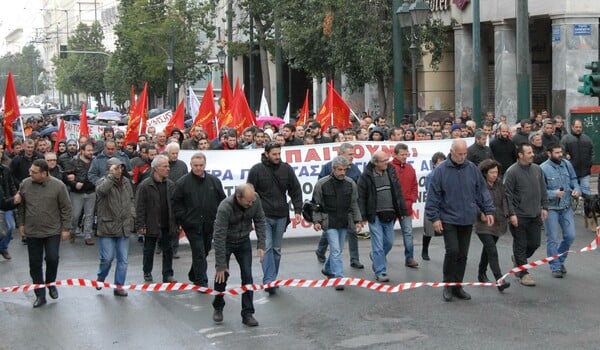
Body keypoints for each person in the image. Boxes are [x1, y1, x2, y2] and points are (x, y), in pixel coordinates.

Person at [425, 139, 495, 302]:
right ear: (452, 152)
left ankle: (458, 285)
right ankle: (447, 284)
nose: (463, 157)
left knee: (463, 254)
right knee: (453, 251)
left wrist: (488, 209)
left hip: (467, 218)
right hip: (448, 217)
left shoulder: (472, 169)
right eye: (459, 154)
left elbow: (482, 191)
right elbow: (433, 196)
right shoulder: (441, 171)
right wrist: (435, 218)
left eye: (465, 154)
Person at [247, 142, 302, 295]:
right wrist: (250, 216)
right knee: (268, 247)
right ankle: (269, 281)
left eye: (279, 154)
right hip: (263, 216)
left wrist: (298, 209)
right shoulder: (256, 170)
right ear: (266, 154)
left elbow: (295, 190)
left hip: (281, 215)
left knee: (277, 250)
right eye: (274, 154)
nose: (278, 157)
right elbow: (249, 193)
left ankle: (272, 278)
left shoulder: (286, 169)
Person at [17, 159, 72, 308]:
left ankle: (50, 282)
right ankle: (40, 295)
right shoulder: (25, 184)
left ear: (44, 173)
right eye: (30, 171)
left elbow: (66, 208)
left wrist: (66, 228)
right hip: (32, 231)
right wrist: (21, 224)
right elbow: (21, 207)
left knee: (53, 258)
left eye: (34, 172)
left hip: (52, 230)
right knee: (35, 264)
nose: (30, 174)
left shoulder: (58, 186)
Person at [212, 184, 266, 327]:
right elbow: (219, 236)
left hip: (243, 241)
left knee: (248, 276)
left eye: (252, 200)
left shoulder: (255, 199)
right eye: (248, 201)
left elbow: (260, 220)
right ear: (238, 197)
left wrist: (261, 244)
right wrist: (220, 264)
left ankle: (247, 314)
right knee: (221, 277)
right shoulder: (225, 207)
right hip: (226, 242)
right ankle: (218, 306)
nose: (251, 203)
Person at [173, 153, 226, 288]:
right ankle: (201, 281)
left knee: (206, 249)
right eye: (195, 165)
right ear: (191, 165)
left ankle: (194, 273)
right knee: (199, 252)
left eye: (201, 165)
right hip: (192, 225)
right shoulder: (182, 183)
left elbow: (222, 201)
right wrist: (184, 219)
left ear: (205, 165)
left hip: (209, 223)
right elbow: (176, 203)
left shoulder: (214, 181)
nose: (198, 168)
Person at [312, 156, 362, 290]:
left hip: (344, 222)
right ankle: (338, 277)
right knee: (335, 250)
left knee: (337, 250)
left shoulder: (350, 183)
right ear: (333, 169)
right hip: (329, 222)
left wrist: (357, 220)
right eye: (340, 170)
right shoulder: (322, 184)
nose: (342, 172)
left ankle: (327, 268)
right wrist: (317, 221)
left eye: (344, 170)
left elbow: (354, 203)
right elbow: (316, 204)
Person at [357, 151, 408, 282]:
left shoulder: (391, 172)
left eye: (387, 159)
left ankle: (375, 257)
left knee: (389, 242)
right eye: (384, 160)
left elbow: (398, 192)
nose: (387, 162)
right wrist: (362, 216)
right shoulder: (366, 176)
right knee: (378, 245)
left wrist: (402, 211)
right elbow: (361, 198)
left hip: (390, 214)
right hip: (375, 216)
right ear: (376, 162)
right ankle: (381, 271)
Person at [504, 143, 548, 287]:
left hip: (535, 214)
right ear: (520, 155)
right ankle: (524, 273)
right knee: (521, 245)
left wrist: (544, 207)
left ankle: (518, 260)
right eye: (529, 153)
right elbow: (507, 195)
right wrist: (511, 214)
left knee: (534, 243)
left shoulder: (537, 169)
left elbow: (543, 189)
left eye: (532, 152)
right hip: (519, 216)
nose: (533, 154)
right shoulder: (512, 172)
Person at [94, 157, 135, 297]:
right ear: (109, 169)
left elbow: (131, 200)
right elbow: (101, 192)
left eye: (120, 168)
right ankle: (101, 277)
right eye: (116, 168)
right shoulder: (102, 182)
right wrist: (111, 177)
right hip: (107, 226)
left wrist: (132, 215)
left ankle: (119, 286)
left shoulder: (126, 182)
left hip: (124, 226)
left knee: (123, 260)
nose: (119, 170)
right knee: (107, 258)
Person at [540, 143, 580, 278]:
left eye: (560, 152)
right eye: (556, 153)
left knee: (570, 236)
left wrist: (577, 189)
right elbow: (541, 191)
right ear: (549, 154)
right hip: (551, 208)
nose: (560, 155)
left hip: (566, 206)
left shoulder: (566, 164)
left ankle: (559, 260)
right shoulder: (543, 169)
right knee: (552, 238)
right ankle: (555, 267)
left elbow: (574, 179)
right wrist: (553, 193)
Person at [135, 155, 178, 283]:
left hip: (167, 223)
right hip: (151, 223)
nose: (168, 169)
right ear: (156, 168)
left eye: (168, 166)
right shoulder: (145, 185)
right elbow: (140, 206)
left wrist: (176, 223)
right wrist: (140, 225)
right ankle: (147, 272)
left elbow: (175, 205)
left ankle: (168, 274)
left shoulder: (170, 185)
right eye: (165, 166)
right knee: (149, 249)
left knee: (168, 250)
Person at [475, 159, 511, 292]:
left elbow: (505, 199)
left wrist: (509, 214)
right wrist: (480, 214)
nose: (495, 175)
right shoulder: (478, 185)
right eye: (492, 172)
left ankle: (481, 272)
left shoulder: (499, 183)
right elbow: (473, 201)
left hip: (498, 221)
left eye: (496, 172)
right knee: (492, 250)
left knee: (488, 248)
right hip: (482, 223)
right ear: (485, 173)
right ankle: (499, 279)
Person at [389, 143, 419, 268]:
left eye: (406, 155)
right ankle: (379, 256)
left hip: (406, 206)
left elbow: (414, 186)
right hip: (391, 207)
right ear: (395, 154)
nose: (404, 157)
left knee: (408, 233)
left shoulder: (410, 168)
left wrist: (411, 199)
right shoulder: (388, 168)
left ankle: (409, 258)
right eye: (402, 155)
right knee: (388, 236)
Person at [63, 143, 97, 245]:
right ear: (82, 151)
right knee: (75, 215)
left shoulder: (95, 162)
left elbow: (96, 174)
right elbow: (67, 176)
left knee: (89, 215)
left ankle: (87, 235)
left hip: (91, 191)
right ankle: (72, 231)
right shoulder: (73, 162)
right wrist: (74, 183)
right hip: (77, 193)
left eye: (92, 150)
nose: (91, 152)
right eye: (88, 150)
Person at [165, 142, 189, 259]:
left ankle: (174, 249)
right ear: (167, 153)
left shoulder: (182, 165)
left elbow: (186, 180)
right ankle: (161, 244)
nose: (175, 155)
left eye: (176, 153)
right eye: (172, 153)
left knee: (176, 224)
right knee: (163, 222)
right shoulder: (163, 164)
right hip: (164, 197)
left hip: (178, 198)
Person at [422, 152, 446, 261]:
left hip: (446, 207)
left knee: (449, 231)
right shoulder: (430, 176)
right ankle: (424, 249)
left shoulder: (448, 175)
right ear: (434, 164)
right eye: (439, 163)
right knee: (428, 231)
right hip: (433, 206)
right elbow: (430, 193)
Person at [561, 119, 594, 196]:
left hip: (585, 172)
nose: (578, 129)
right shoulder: (565, 139)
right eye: (576, 127)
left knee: (586, 194)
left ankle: (587, 208)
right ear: (572, 127)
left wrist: (590, 163)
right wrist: (566, 157)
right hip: (571, 172)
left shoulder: (587, 139)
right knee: (572, 193)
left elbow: (592, 153)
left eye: (580, 127)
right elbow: (561, 153)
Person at [0, 160, 19, 260]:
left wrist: (15, 194)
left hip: (6, 203)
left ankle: (3, 247)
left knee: (11, 227)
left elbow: (11, 184)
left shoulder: (5, 169)